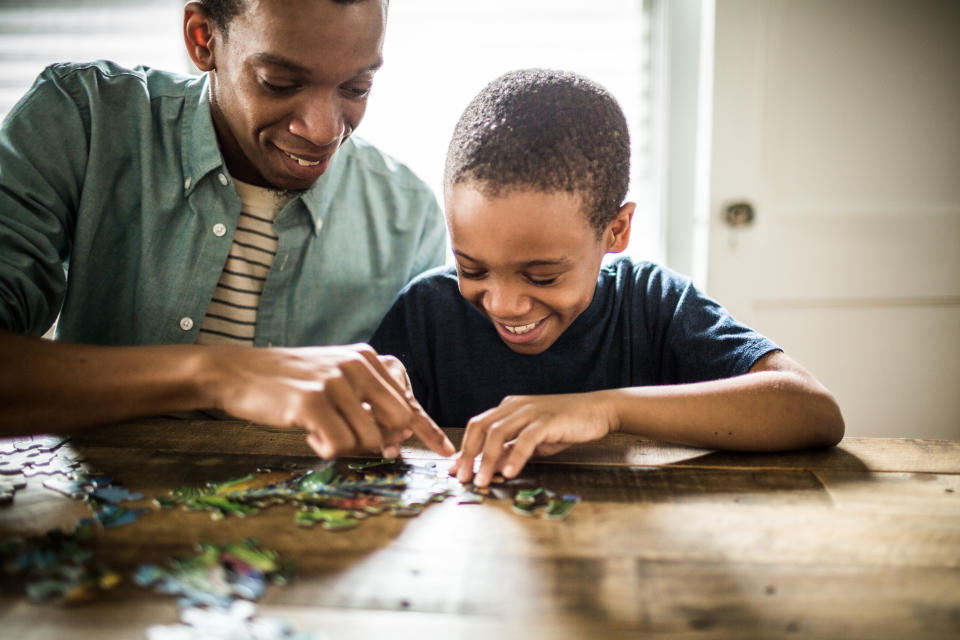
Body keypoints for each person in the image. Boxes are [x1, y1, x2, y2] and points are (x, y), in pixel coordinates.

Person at [0, 0, 455, 460]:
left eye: (357, 88)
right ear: (203, 39)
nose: (322, 130)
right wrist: (219, 375)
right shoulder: (84, 120)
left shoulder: (409, 217)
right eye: (279, 83)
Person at [370, 69, 845, 487]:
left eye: (542, 276)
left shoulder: (655, 304)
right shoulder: (427, 311)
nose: (503, 303)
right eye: (472, 268)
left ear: (615, 231)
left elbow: (813, 413)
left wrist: (605, 409)